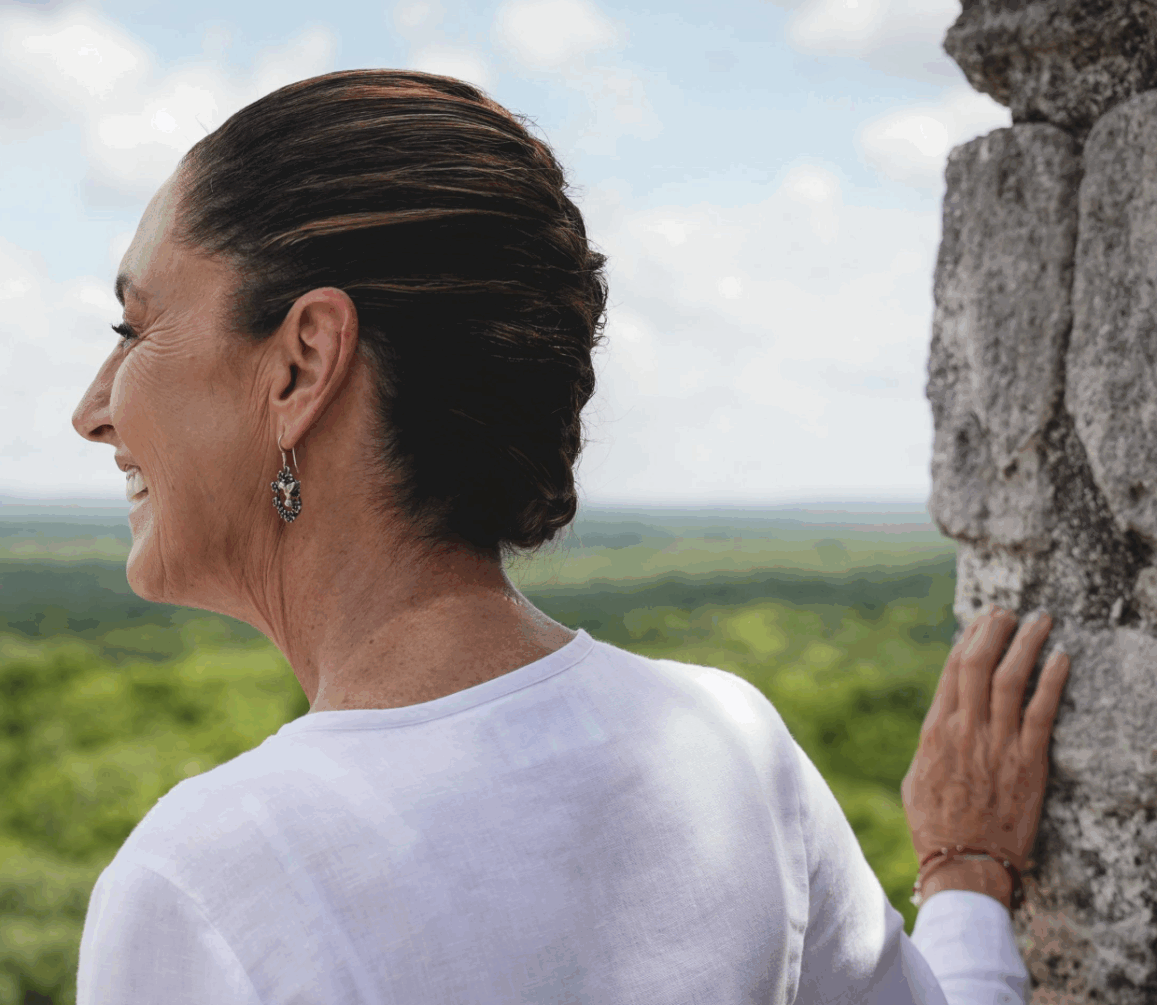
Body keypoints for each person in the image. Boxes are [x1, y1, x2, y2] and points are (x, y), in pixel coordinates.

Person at [69, 69, 1070, 1004]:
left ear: (302, 363)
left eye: (133, 330)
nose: (94, 409)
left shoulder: (204, 882)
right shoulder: (730, 750)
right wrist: (967, 878)